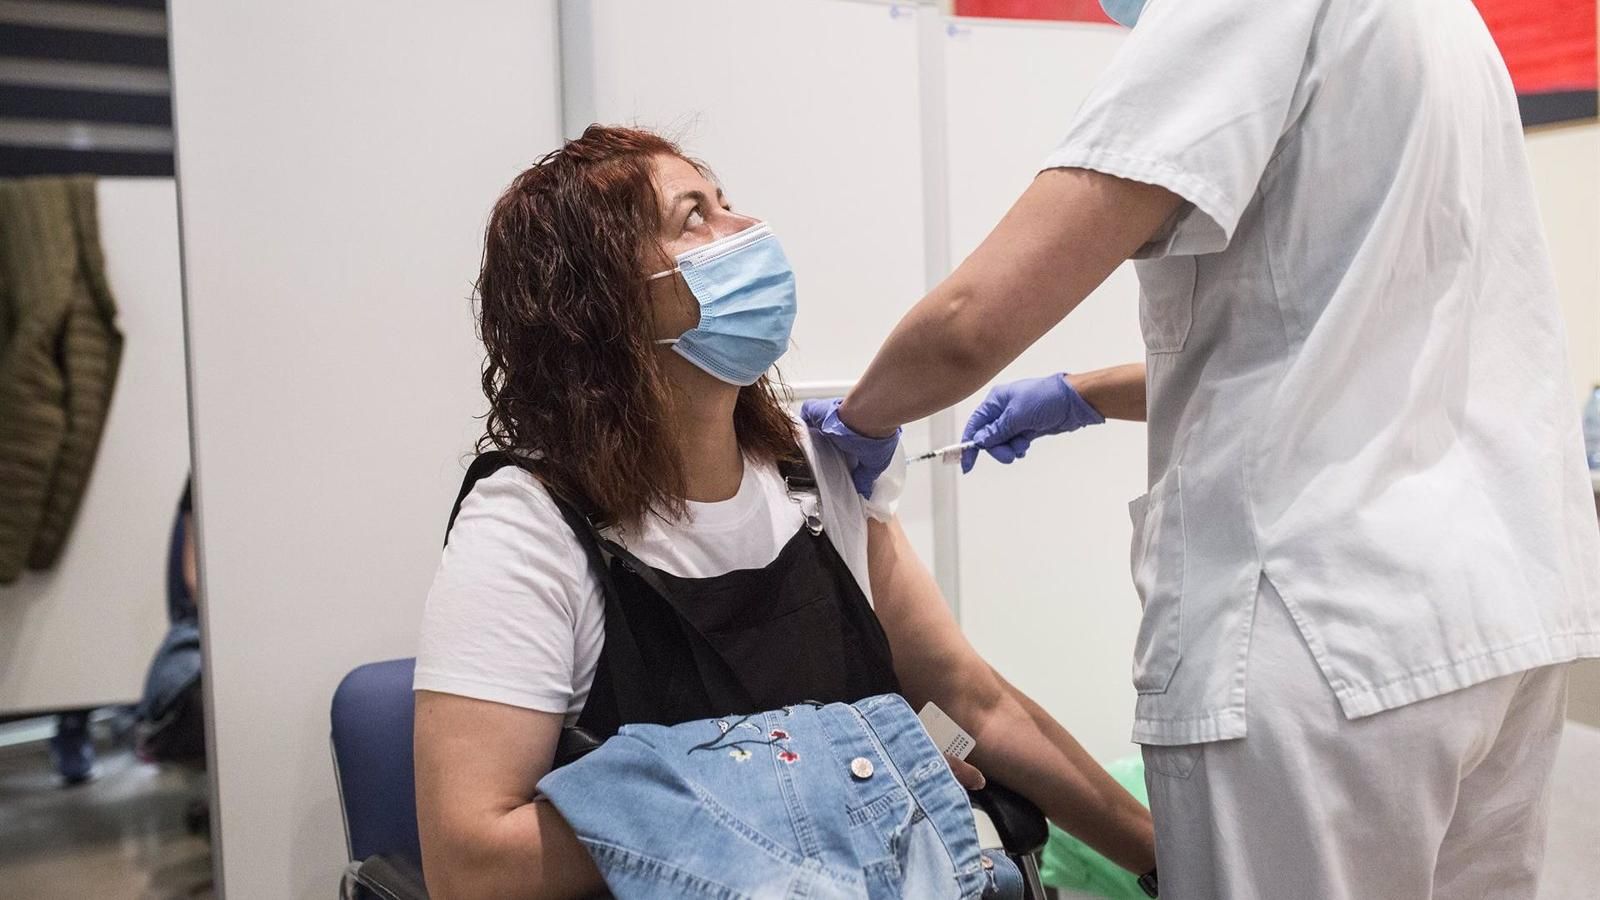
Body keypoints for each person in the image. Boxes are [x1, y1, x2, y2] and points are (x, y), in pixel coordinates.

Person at [802, 0, 1600, 898]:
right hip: (1494, 615)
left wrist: (860, 423)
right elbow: (1349, 338)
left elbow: (970, 322)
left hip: (1328, 621)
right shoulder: (1442, 24)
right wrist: (1082, 395)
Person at [411, 125, 1157, 899]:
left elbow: (974, 704)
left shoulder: (812, 473)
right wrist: (843, 780)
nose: (748, 229)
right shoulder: (529, 525)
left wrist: (1159, 855)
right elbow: (471, 865)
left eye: (727, 203)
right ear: (598, 307)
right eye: (693, 216)